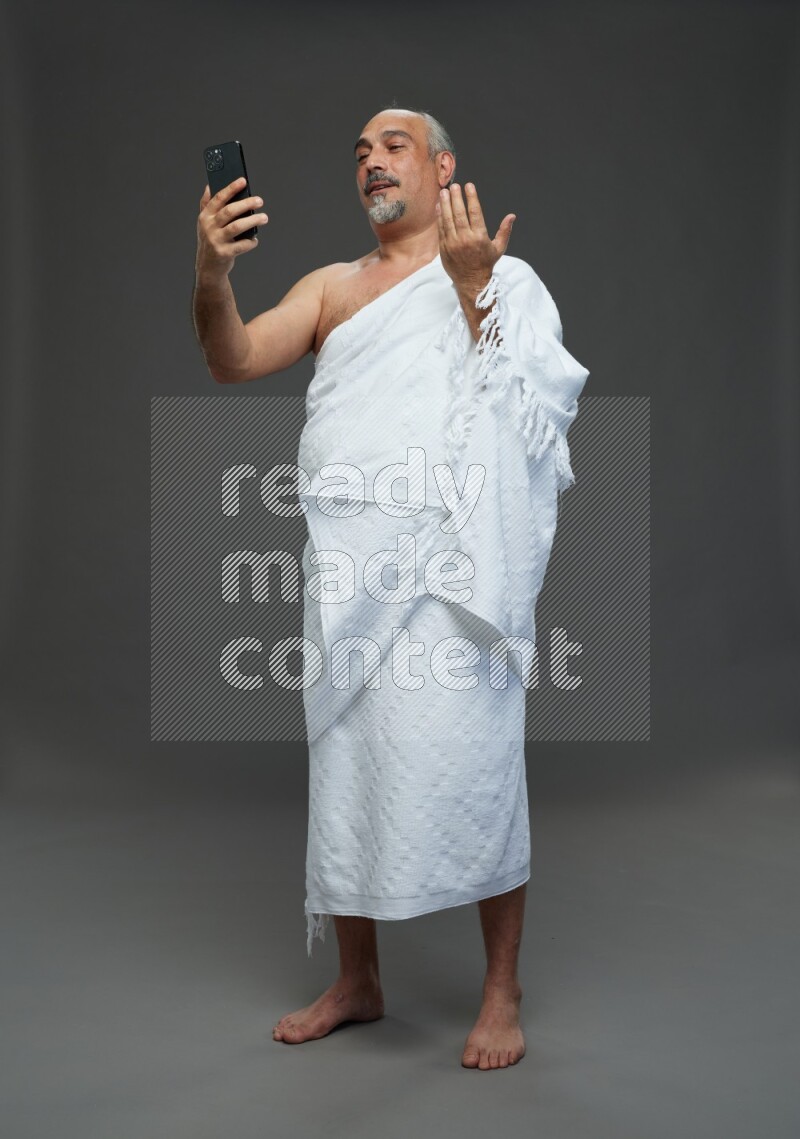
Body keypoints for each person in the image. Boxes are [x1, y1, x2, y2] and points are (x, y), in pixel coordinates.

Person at [192, 106, 589, 1071]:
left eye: (393, 146)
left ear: (443, 165)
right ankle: (358, 978)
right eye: (360, 153)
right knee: (351, 771)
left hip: (454, 576)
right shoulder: (332, 287)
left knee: (480, 764)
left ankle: (503, 989)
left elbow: (530, 407)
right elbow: (233, 357)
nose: (371, 162)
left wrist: (472, 293)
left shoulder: (499, 277)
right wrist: (212, 273)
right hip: (352, 572)